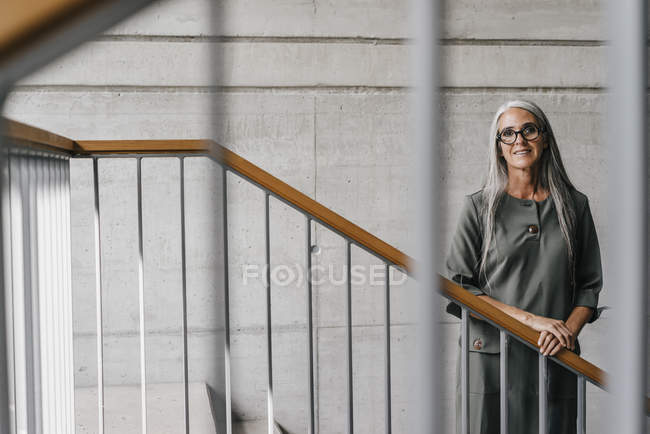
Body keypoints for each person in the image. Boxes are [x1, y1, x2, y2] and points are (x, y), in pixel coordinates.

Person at [445, 100, 604, 434]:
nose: (519, 140)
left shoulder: (575, 206)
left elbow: (588, 286)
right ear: (499, 148)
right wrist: (531, 321)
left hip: (555, 356)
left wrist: (567, 333)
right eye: (508, 133)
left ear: (544, 138)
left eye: (528, 129)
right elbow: (460, 290)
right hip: (489, 359)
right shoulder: (478, 207)